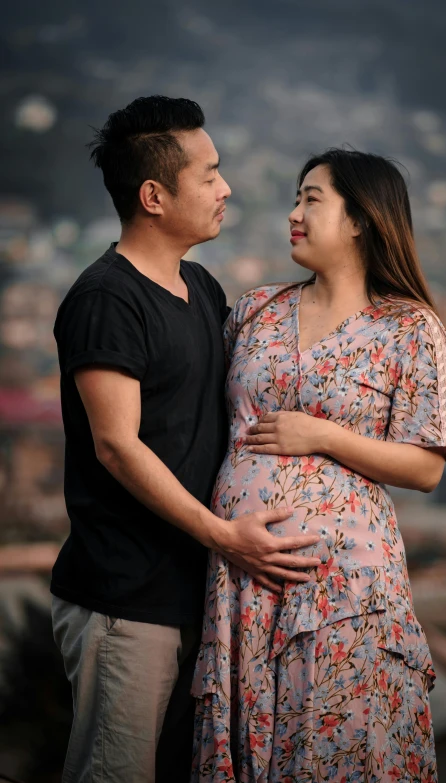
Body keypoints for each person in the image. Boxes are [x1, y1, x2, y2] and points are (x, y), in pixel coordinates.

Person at [50, 95, 321, 783]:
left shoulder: (200, 287)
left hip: (198, 596)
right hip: (125, 600)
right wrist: (225, 534)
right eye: (208, 173)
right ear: (153, 195)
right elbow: (118, 445)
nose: (225, 187)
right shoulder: (106, 299)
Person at [191, 149, 446, 782]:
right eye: (296, 198)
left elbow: (424, 467)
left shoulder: (411, 329)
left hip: (347, 589)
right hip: (244, 581)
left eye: (312, 199)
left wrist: (322, 435)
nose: (293, 213)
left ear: (363, 218)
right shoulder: (254, 311)